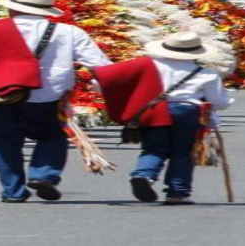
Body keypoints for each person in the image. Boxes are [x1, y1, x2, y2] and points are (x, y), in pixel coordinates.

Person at [0, 0, 112, 203]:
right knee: (52, 137)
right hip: (47, 96)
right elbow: (100, 65)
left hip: (1, 94)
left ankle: (14, 191)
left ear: (12, 9)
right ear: (47, 11)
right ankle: (43, 175)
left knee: (4, 143)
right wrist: (103, 88)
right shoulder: (68, 32)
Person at [93, 32, 232, 205]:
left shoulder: (148, 65)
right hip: (187, 112)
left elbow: (105, 78)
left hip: (154, 110)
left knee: (153, 148)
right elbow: (219, 102)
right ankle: (177, 192)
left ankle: (143, 175)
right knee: (183, 153)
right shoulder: (207, 73)